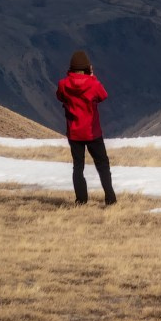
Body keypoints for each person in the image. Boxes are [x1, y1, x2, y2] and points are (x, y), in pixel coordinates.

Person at [56, 50, 116, 205]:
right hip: (92, 132)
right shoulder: (93, 84)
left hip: (74, 132)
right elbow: (103, 96)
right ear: (88, 68)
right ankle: (110, 199)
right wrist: (92, 77)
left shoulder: (63, 84)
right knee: (102, 164)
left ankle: (81, 200)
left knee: (78, 166)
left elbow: (59, 96)